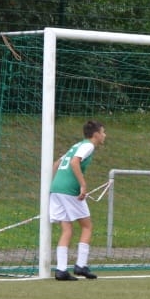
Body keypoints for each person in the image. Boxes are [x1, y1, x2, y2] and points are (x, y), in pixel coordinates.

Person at [49, 120, 106, 281]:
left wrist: (54, 184)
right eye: (103, 132)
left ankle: (61, 270)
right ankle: (81, 265)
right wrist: (82, 185)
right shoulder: (88, 146)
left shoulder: (76, 145)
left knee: (67, 229)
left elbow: (56, 164)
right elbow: (74, 162)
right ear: (96, 134)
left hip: (56, 189)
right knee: (87, 226)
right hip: (69, 191)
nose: (105, 135)